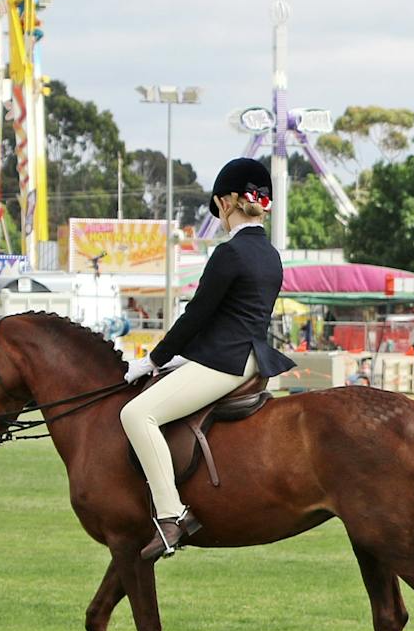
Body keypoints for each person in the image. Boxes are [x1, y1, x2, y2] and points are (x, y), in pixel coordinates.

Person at [119, 157, 297, 560]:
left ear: (228, 202)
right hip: (250, 356)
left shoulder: (229, 253)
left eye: (218, 206)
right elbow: (230, 320)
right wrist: (181, 363)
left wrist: (153, 361)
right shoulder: (270, 253)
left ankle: (171, 515)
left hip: (227, 362)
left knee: (136, 415)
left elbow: (196, 315)